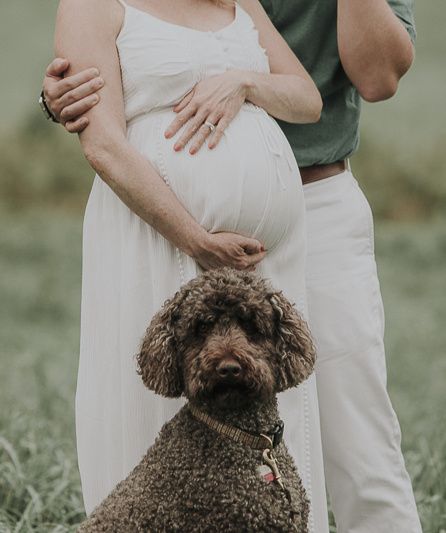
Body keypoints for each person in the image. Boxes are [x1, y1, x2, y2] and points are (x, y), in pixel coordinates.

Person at [42, 0, 421, 532]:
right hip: (162, 230)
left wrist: (244, 82)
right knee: (155, 424)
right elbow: (107, 103)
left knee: (351, 441)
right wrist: (62, 91)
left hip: (309, 209)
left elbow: (373, 76)